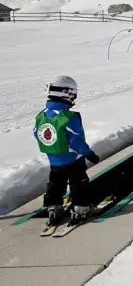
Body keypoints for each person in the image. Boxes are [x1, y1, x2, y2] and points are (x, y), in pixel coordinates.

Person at [34, 76, 101, 225]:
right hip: (73, 159)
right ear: (66, 93)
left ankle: (54, 208)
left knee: (56, 183)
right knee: (78, 182)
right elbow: (76, 141)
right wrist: (90, 154)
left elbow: (36, 133)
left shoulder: (41, 115)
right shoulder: (69, 117)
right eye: (73, 93)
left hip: (54, 160)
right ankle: (81, 207)